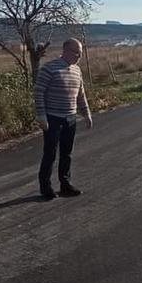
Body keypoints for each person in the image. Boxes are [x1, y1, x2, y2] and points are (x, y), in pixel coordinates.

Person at [33, 38, 93, 199]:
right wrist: (41, 115)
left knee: (67, 153)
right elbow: (38, 93)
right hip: (52, 118)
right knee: (50, 153)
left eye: (80, 53)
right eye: (76, 52)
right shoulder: (49, 68)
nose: (79, 56)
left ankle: (65, 184)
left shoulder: (77, 70)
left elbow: (81, 94)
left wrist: (86, 113)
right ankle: (46, 188)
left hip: (70, 118)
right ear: (65, 50)